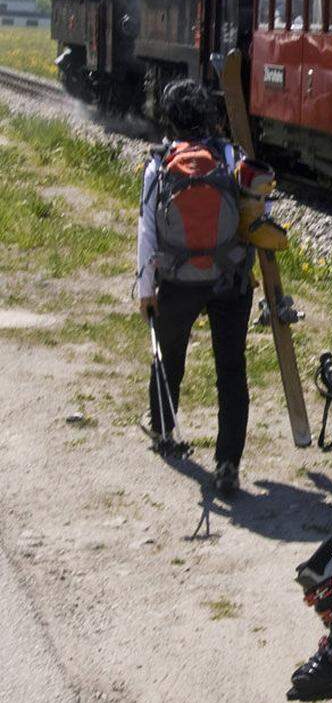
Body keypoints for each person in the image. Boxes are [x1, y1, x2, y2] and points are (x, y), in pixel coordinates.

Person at [136, 79, 253, 498]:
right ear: (208, 115)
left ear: (169, 117)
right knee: (231, 369)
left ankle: (166, 432)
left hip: (178, 279)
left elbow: (148, 229)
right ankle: (228, 462)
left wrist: (145, 288)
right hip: (229, 279)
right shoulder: (231, 157)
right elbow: (261, 211)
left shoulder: (160, 162)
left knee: (168, 357)